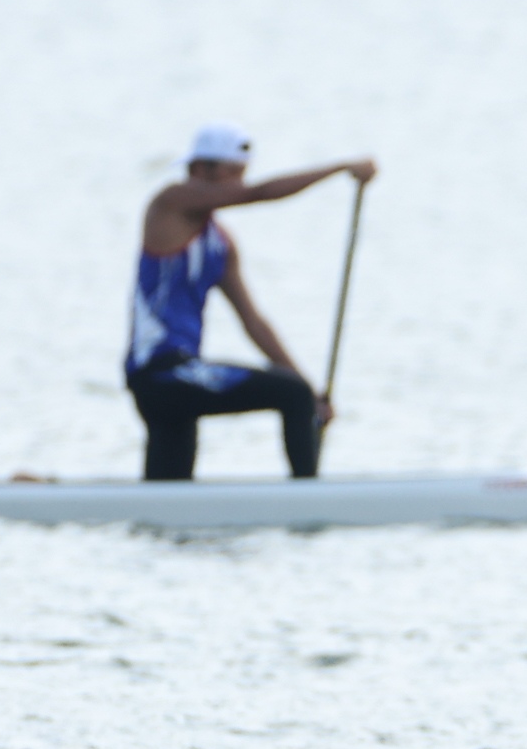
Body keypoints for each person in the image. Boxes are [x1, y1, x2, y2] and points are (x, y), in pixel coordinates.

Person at [125, 123, 376, 481]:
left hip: (184, 379)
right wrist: (340, 168)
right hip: (160, 373)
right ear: (200, 169)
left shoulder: (221, 246)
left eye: (242, 174)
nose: (239, 183)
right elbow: (259, 193)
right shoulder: (171, 202)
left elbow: (253, 322)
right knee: (290, 394)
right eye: (232, 174)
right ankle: (308, 495)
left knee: (168, 490)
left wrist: (310, 390)